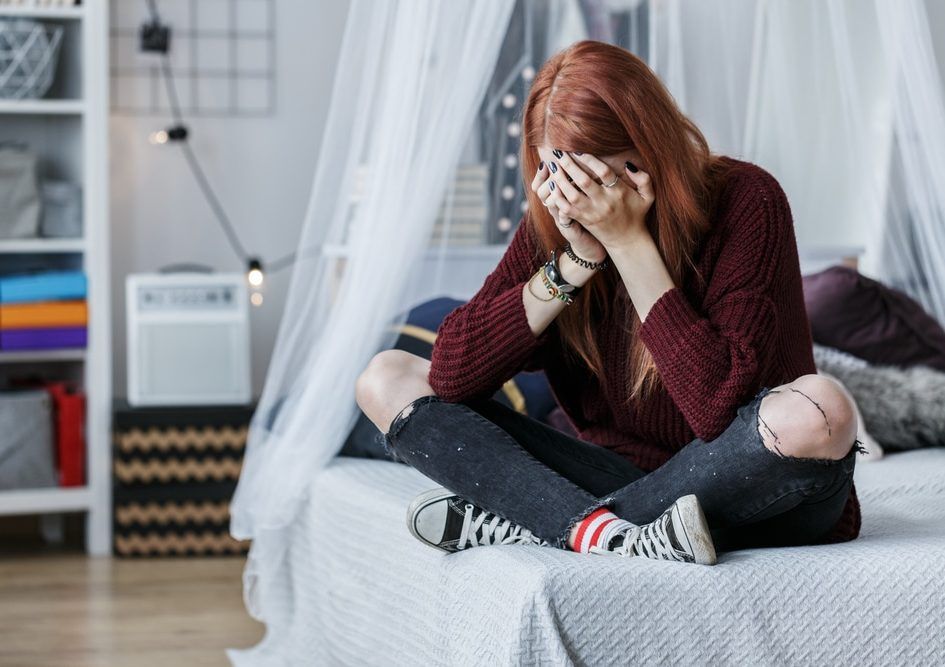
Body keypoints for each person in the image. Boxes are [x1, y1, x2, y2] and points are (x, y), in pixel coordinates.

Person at [355, 40, 861, 566]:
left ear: (649, 147)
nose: (582, 198)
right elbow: (454, 376)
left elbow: (717, 410)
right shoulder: (557, 221)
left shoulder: (747, 198)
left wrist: (628, 243)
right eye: (563, 175)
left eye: (598, 176)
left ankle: (543, 522)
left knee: (820, 408)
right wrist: (576, 262)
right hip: (615, 473)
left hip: (752, 479)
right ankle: (606, 535)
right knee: (387, 376)